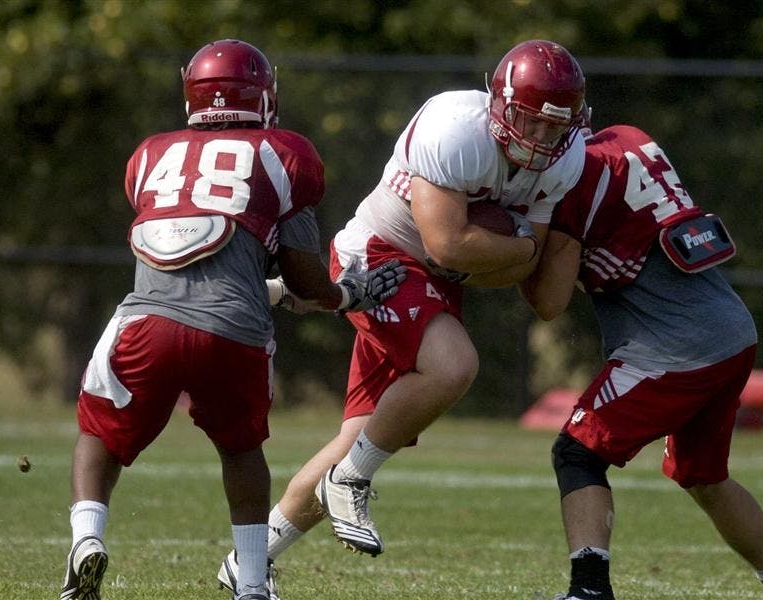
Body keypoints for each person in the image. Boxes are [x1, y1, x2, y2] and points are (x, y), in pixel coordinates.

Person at [215, 39, 590, 595]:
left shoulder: (568, 158)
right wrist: (513, 249)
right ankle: (351, 479)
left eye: (553, 127)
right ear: (499, 103)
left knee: (359, 435)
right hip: (381, 257)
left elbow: (513, 267)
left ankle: (250, 561)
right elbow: (449, 244)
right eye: (529, 120)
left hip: (434, 282)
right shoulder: (455, 127)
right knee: (454, 366)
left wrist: (504, 255)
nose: (539, 138)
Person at [59, 39, 405, 600]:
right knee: (240, 451)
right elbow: (302, 279)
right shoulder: (284, 154)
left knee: (99, 435)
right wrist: (346, 296)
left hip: (146, 325)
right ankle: (250, 582)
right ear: (263, 95)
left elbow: (189, 262)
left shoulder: (149, 156)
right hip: (233, 332)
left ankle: (86, 537)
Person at [520, 111, 763, 600]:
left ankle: (589, 590)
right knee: (705, 477)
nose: (534, 139)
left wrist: (508, 250)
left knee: (577, 452)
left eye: (542, 127)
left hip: (677, 346)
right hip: (731, 329)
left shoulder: (572, 180)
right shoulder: (626, 137)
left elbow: (549, 303)